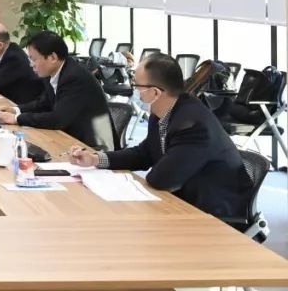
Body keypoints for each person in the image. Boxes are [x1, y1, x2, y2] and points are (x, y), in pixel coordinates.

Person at [70, 53, 253, 221]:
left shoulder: (193, 125)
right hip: (183, 202)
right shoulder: (163, 112)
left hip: (215, 214)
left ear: (155, 92)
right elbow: (144, 154)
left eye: (137, 86)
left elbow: (162, 179)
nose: (134, 91)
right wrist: (95, 159)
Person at [0, 31, 114, 150]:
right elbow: (43, 103)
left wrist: (17, 119)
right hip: (72, 138)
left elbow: (57, 119)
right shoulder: (54, 72)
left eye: (34, 59)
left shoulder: (74, 77)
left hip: (94, 146)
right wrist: (15, 110)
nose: (31, 64)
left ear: (52, 57)